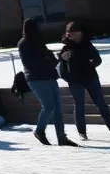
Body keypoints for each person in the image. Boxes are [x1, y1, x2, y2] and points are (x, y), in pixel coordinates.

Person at [60, 21, 110, 142]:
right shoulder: (66, 47)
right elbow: (61, 65)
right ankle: (82, 133)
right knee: (79, 106)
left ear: (81, 33)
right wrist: (62, 58)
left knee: (101, 104)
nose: (73, 36)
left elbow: (98, 59)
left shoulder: (87, 44)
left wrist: (92, 64)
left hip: (91, 78)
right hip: (75, 81)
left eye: (75, 33)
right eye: (70, 34)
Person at [18, 19, 78, 147]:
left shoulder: (39, 41)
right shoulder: (23, 43)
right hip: (36, 78)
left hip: (49, 76)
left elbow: (50, 59)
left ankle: (62, 137)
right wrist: (46, 59)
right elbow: (30, 63)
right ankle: (39, 130)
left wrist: (58, 57)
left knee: (57, 108)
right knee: (49, 106)